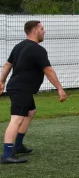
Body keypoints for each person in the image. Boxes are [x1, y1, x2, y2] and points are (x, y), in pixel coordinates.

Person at [0, 20, 68, 164]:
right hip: (21, 88)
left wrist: (2, 81)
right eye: (42, 29)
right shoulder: (38, 49)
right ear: (34, 31)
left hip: (20, 87)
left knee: (31, 112)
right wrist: (60, 88)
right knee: (16, 119)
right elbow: (48, 71)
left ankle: (17, 146)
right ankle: (6, 154)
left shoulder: (19, 46)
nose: (44, 31)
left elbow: (7, 65)